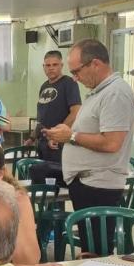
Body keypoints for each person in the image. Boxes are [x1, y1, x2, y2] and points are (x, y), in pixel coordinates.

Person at [44, 39, 134, 253]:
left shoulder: (115, 93)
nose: (75, 77)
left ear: (95, 63)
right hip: (87, 183)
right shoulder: (99, 92)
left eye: (77, 71)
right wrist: (65, 134)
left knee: (96, 252)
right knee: (89, 248)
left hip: (99, 185)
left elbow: (112, 142)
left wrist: (72, 136)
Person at [27, 51, 82, 185]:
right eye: (47, 65)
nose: (51, 68)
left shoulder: (69, 84)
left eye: (55, 64)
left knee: (56, 186)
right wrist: (32, 137)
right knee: (41, 185)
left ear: (61, 65)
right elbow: (42, 117)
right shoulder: (44, 86)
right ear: (43, 67)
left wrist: (56, 135)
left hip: (58, 144)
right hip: (43, 143)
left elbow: (75, 112)